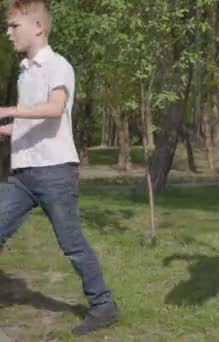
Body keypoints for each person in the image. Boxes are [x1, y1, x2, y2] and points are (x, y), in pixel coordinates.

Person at [0, 0, 118, 335]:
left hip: (55, 173)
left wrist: (7, 110)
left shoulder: (58, 65)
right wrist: (6, 129)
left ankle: (104, 305)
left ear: (37, 26)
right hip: (23, 174)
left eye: (13, 26)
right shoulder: (25, 71)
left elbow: (54, 110)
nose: (8, 33)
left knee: (72, 243)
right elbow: (32, 122)